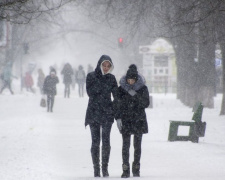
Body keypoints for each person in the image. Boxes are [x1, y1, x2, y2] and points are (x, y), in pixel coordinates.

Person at [85, 55, 118, 177]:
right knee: (95, 142)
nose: (105, 68)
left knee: (106, 141)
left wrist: (117, 110)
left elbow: (116, 95)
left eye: (108, 66)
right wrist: (102, 81)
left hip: (107, 113)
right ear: (99, 64)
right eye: (104, 65)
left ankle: (105, 168)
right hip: (93, 112)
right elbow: (90, 92)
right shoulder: (91, 76)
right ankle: (96, 168)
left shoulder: (112, 78)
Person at [115, 64, 149, 178]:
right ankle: (125, 169)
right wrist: (118, 118)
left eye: (133, 80)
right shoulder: (121, 89)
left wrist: (135, 96)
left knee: (137, 145)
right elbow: (117, 104)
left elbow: (146, 103)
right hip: (126, 119)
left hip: (139, 119)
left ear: (136, 79)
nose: (130, 82)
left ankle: (136, 168)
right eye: (129, 80)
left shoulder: (143, 88)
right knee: (125, 145)